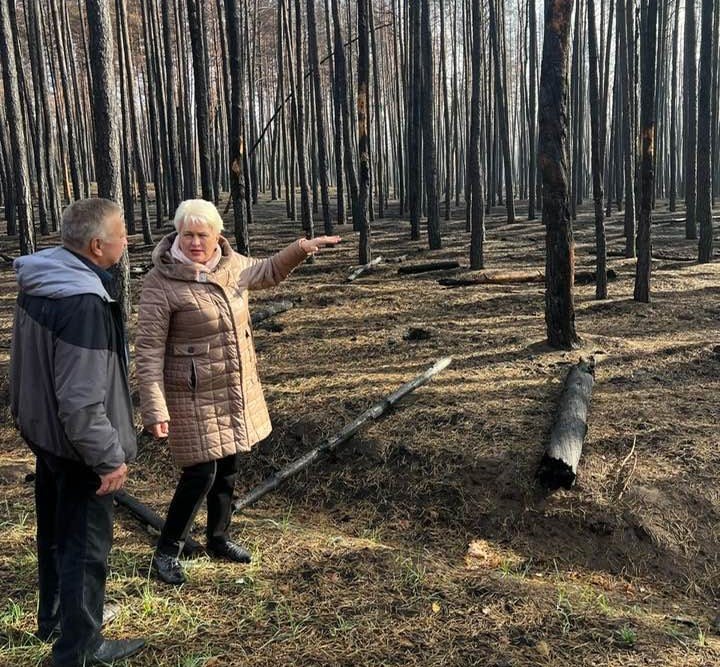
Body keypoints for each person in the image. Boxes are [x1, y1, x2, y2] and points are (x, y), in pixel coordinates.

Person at [135, 199, 340, 585]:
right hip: (191, 394)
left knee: (227, 466)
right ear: (178, 235)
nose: (195, 242)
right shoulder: (160, 283)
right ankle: (167, 550)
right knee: (201, 472)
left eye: (203, 235)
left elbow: (269, 270)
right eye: (187, 234)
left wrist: (300, 249)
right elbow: (147, 350)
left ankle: (218, 539)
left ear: (217, 236)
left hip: (232, 387)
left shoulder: (233, 266)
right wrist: (154, 406)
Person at [10, 198, 146, 666]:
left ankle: (55, 620)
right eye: (122, 233)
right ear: (96, 245)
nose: (127, 240)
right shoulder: (83, 301)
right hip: (77, 447)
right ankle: (78, 651)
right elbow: (82, 400)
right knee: (85, 549)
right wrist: (108, 457)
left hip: (44, 434)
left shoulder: (43, 277)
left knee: (54, 534)